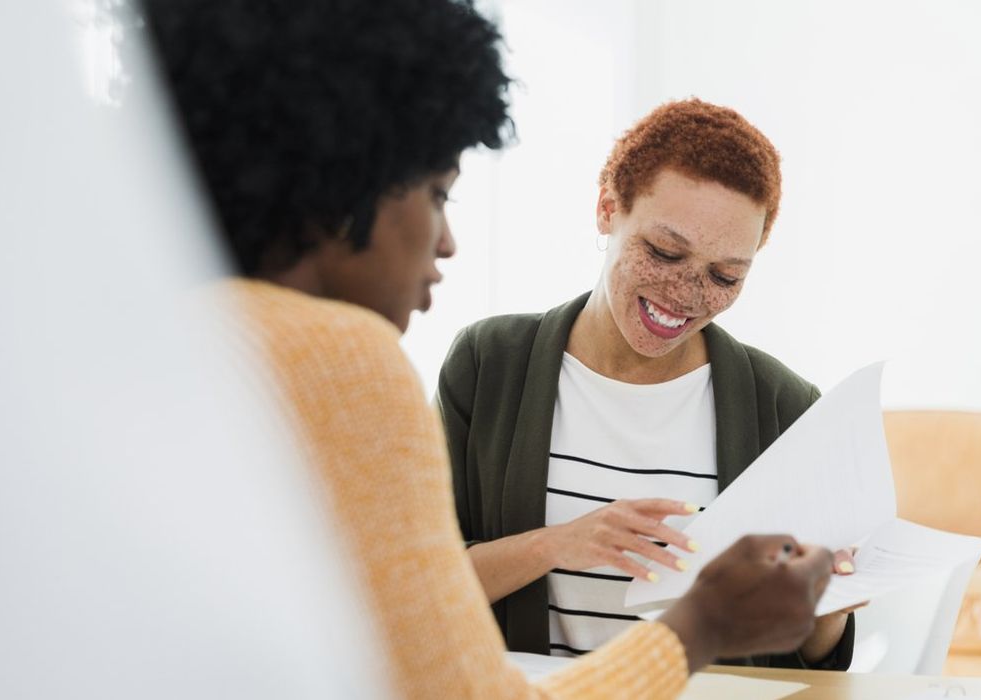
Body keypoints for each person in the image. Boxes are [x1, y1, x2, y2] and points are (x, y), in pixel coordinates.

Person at [141, 0, 841, 697]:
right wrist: (702, 623)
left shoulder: (171, 336)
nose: (446, 240)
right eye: (438, 193)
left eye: (725, 275)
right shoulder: (357, 357)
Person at [439, 98, 861, 669]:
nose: (685, 295)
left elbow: (815, 659)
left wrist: (829, 600)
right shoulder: (489, 364)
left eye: (724, 275)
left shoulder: (786, 406)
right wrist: (559, 544)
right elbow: (419, 588)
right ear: (607, 209)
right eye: (664, 252)